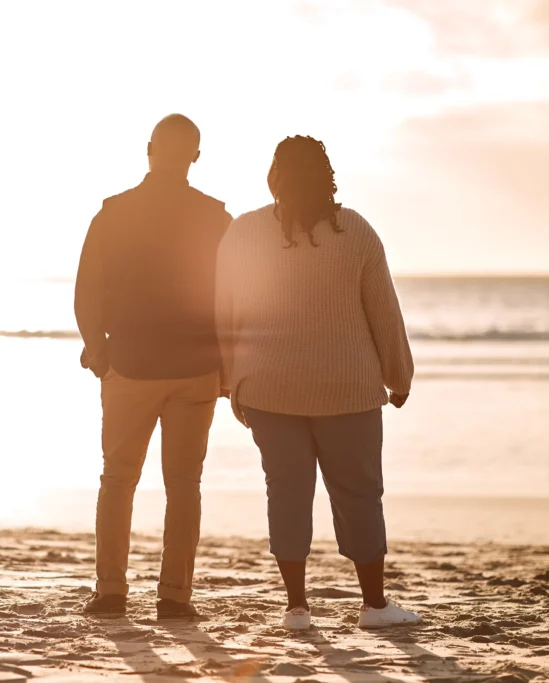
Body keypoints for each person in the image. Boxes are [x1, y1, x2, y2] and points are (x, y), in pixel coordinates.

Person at [215, 135, 421, 630]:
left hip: (267, 389)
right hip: (347, 390)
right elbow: (384, 315)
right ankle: (375, 607)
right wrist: (399, 377)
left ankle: (297, 609)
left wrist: (231, 382)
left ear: (275, 176)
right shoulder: (356, 232)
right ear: (327, 176)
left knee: (286, 491)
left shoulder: (243, 233)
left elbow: (225, 315)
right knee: (358, 493)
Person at [74, 114, 233, 619]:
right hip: (195, 370)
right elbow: (235, 298)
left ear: (148, 149)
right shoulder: (215, 217)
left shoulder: (114, 212)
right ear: (197, 156)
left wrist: (97, 350)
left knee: (118, 479)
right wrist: (228, 365)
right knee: (184, 484)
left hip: (131, 364)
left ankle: (111, 591)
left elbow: (86, 292)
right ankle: (175, 597)